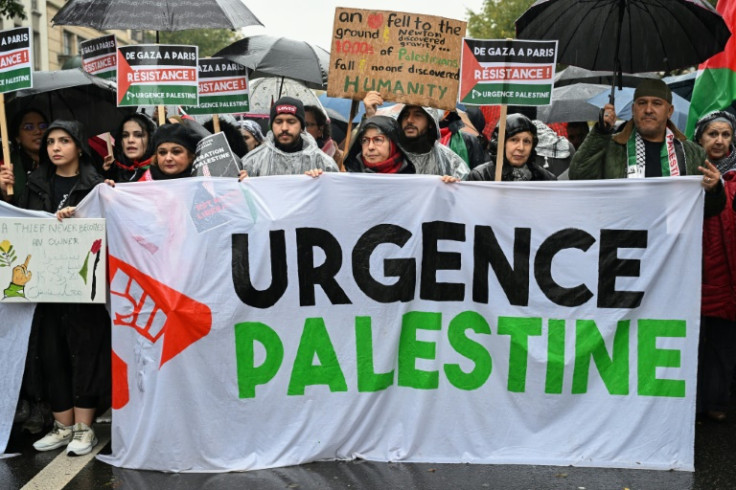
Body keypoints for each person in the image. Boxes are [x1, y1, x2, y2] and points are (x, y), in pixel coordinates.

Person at [17, 120, 111, 456]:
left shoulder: (95, 185)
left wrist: (83, 216)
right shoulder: (36, 183)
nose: (55, 147)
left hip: (83, 287)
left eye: (64, 141)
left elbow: (108, 228)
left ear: (79, 146)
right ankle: (63, 426)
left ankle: (84, 429)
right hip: (45, 286)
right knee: (52, 354)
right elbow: (21, 225)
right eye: (51, 142)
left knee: (85, 354)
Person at [569, 78, 724, 216]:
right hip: (624, 241)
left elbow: (709, 210)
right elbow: (578, 176)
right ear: (633, 109)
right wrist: (601, 132)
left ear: (669, 111)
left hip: (673, 244)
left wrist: (714, 190)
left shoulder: (693, 153)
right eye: (642, 103)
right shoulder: (612, 147)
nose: (648, 110)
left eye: (656, 103)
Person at [693, 110, 736, 422]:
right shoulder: (683, 172)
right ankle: (690, 404)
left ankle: (717, 402)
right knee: (692, 342)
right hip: (692, 272)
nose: (719, 141)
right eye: (713, 134)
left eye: (726, 134)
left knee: (722, 344)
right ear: (700, 138)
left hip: (727, 274)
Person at [363, 91, 469, 179]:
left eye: (417, 115)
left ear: (430, 123)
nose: (409, 120)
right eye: (405, 115)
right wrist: (370, 117)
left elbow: (466, 193)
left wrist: (453, 185)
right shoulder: (388, 152)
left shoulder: (449, 161)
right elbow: (359, 166)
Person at [241, 97, 338, 176]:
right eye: (278, 122)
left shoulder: (324, 163)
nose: (284, 128)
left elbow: (334, 194)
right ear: (272, 125)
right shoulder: (251, 162)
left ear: (301, 127)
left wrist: (321, 181)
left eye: (291, 122)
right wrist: (243, 182)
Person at [467, 114, 557, 182]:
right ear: (501, 143)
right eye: (514, 140)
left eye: (526, 141)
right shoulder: (481, 176)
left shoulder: (546, 179)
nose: (521, 148)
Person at [0, 108, 49, 203]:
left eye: (43, 126)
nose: (38, 131)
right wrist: (5, 194)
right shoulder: (6, 166)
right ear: (17, 137)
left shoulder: (61, 160)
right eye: (28, 127)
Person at [343, 115, 415, 174]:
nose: (370, 147)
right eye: (365, 140)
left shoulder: (411, 177)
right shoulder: (351, 175)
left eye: (378, 140)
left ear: (393, 144)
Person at [102, 113, 156, 182]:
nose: (130, 140)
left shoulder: (160, 172)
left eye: (138, 135)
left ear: (150, 139)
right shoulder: (112, 172)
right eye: (125, 135)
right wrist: (107, 174)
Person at [304, 105, 344, 170]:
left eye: (306, 125)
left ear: (320, 130)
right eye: (299, 124)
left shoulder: (337, 158)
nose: (302, 129)